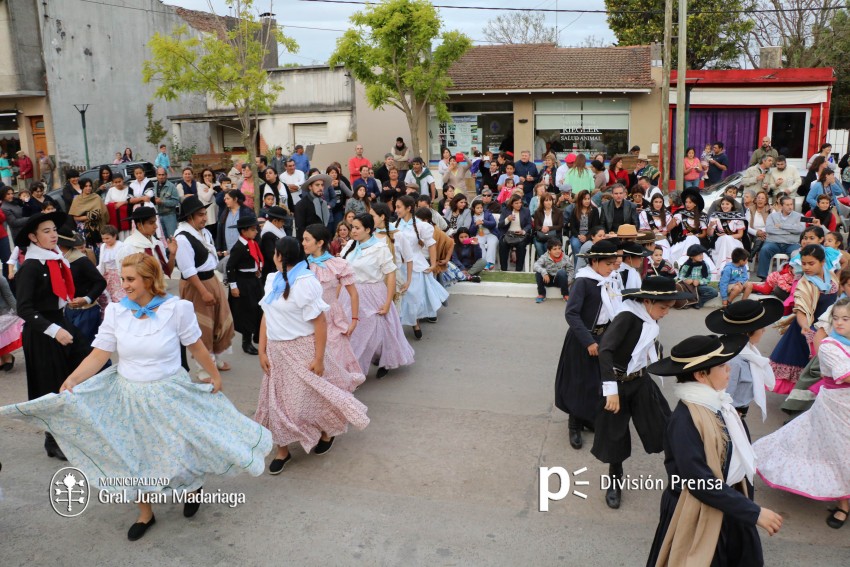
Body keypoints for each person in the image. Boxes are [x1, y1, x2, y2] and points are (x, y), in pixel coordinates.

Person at [1, 252, 272, 540]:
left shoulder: (177, 309)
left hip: (169, 394)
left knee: (178, 450)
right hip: (128, 396)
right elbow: (99, 354)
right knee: (132, 456)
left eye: (130, 279)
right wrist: (73, 379)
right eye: (123, 278)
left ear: (149, 279)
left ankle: (191, 487)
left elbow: (196, 346)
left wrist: (214, 375)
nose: (124, 284)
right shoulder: (116, 312)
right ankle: (145, 513)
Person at [645, 334, 782, 566]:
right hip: (695, 509)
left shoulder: (720, 404)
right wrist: (753, 512)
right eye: (721, 366)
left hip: (728, 502)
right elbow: (699, 482)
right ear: (701, 375)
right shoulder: (684, 420)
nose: (729, 369)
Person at [257, 234, 367, 469]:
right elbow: (267, 314)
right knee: (276, 402)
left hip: (303, 349)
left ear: (280, 256)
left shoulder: (306, 282)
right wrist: (262, 350)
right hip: (277, 352)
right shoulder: (271, 279)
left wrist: (319, 358)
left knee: (307, 400)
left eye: (275, 252)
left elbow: (320, 322)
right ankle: (282, 450)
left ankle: (327, 431)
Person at [755, 296, 850, 529]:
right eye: (836, 318)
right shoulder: (829, 345)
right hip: (836, 407)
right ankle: (843, 504)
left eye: (846, 319)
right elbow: (845, 375)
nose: (839, 323)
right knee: (838, 450)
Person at [595, 277, 690, 509]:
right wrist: (610, 390)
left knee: (665, 426)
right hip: (617, 385)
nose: (666, 313)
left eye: (669, 308)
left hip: (640, 381)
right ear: (647, 301)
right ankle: (614, 480)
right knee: (615, 436)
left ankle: (679, 478)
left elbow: (646, 344)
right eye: (663, 308)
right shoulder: (627, 317)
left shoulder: (649, 316)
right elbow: (605, 350)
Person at [12, 211, 94, 459]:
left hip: (60, 321)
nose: (53, 235)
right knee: (50, 385)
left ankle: (74, 429)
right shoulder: (30, 267)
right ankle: (53, 439)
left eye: (54, 230)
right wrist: (55, 331)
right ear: (33, 237)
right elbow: (24, 308)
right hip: (42, 331)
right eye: (46, 231)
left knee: (82, 369)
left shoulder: (56, 259)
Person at [555, 239, 621, 450]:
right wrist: (588, 341)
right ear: (594, 262)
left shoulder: (609, 280)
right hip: (582, 340)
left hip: (603, 338)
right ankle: (574, 424)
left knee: (596, 381)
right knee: (578, 382)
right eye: (608, 264)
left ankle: (587, 417)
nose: (611, 268)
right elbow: (571, 314)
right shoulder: (583, 281)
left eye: (613, 264)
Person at [341, 213, 414, 378]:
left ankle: (381, 361)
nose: (353, 231)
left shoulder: (380, 248)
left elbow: (390, 274)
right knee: (353, 333)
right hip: (350, 293)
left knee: (379, 332)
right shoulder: (350, 245)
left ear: (368, 230)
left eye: (357, 228)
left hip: (373, 294)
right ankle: (351, 371)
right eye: (352, 227)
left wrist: (388, 302)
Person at [174, 195, 235, 375]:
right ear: (190, 217)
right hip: (196, 285)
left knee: (219, 319)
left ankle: (216, 357)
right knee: (202, 326)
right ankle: (204, 368)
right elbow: (188, 271)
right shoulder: (182, 238)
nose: (205, 218)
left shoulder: (204, 232)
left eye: (204, 214)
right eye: (200, 215)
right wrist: (203, 292)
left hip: (211, 279)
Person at [770, 244, 838, 393]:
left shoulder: (832, 277)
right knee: (808, 367)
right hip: (807, 330)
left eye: (811, 263)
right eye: (804, 263)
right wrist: (806, 327)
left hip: (829, 328)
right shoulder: (804, 283)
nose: (806, 267)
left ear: (822, 262)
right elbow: (800, 310)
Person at [303, 223, 365, 382]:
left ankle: (340, 386)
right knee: (314, 355)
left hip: (332, 317)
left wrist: (354, 320)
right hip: (309, 318)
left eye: (307, 240)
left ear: (320, 242)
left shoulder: (337, 264)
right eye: (303, 239)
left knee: (336, 353)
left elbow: (353, 294)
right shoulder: (302, 265)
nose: (303, 243)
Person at [705, 298, 783, 422]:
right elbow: (724, 396)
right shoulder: (734, 361)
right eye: (761, 327)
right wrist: (730, 417)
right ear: (747, 333)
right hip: (730, 416)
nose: (764, 330)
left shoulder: (747, 352)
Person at [394, 195, 449, 336]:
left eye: (399, 207)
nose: (396, 210)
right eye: (396, 207)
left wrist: (433, 264)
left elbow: (431, 244)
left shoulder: (421, 225)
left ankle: (415, 323)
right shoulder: (394, 226)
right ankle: (397, 327)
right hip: (399, 266)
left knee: (414, 296)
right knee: (400, 297)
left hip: (416, 265)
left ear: (408, 208)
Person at [57, 226, 106, 344]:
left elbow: (100, 282)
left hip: (86, 311)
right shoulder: (57, 261)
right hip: (69, 310)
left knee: (85, 346)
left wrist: (86, 299)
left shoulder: (81, 261)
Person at [225, 215, 264, 356]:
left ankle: (257, 335)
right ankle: (246, 342)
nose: (256, 232)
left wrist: (257, 270)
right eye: (253, 229)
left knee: (259, 308)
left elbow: (255, 259)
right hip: (244, 282)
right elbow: (230, 267)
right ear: (244, 231)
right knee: (247, 311)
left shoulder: (252, 243)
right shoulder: (239, 247)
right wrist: (233, 286)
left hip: (254, 280)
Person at [757, 196, 804, 280]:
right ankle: (763, 277)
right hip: (773, 242)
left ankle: (790, 277)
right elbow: (769, 229)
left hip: (792, 243)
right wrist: (791, 231)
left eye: (791, 204)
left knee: (796, 254)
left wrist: (781, 226)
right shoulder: (772, 216)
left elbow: (800, 229)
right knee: (765, 249)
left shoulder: (799, 216)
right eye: (787, 205)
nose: (790, 207)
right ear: (781, 206)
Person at [123, 207, 176, 277]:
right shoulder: (129, 246)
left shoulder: (157, 244)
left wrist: (172, 254)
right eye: (151, 223)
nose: (156, 226)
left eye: (155, 222)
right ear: (139, 225)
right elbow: (126, 277)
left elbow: (167, 271)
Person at [669, 188, 711, 269]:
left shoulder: (701, 216)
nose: (687, 204)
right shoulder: (680, 214)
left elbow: (704, 234)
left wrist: (695, 235)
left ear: (695, 204)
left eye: (690, 202)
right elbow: (669, 228)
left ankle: (682, 263)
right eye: (686, 202)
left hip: (697, 239)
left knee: (691, 239)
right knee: (673, 251)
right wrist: (673, 220)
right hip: (683, 239)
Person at [67, 179, 108, 248]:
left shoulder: (96, 197)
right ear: (82, 187)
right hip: (84, 229)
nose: (88, 188)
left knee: (99, 248)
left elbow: (103, 212)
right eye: (86, 186)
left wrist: (96, 215)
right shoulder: (77, 199)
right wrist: (89, 216)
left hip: (98, 228)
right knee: (88, 249)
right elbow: (75, 217)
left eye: (90, 186)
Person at [294, 173, 332, 241]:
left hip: (321, 241)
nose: (320, 188)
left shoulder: (323, 203)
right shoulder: (301, 205)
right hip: (308, 242)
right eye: (317, 185)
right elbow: (300, 229)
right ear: (310, 187)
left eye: (322, 185)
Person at [497, 194, 531, 272]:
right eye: (516, 203)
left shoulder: (526, 211)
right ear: (511, 204)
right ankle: (503, 269)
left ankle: (519, 270)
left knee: (521, 246)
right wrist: (507, 219)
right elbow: (500, 225)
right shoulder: (505, 210)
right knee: (502, 244)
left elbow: (529, 224)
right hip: (508, 234)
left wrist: (523, 231)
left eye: (520, 202)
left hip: (521, 235)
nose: (519, 205)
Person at [678, 244, 719, 309]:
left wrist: (700, 281)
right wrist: (686, 280)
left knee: (714, 292)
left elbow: (708, 278)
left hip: (700, 287)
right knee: (678, 290)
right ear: (692, 256)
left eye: (702, 254)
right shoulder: (686, 265)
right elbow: (680, 276)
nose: (701, 256)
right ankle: (688, 301)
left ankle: (698, 302)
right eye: (699, 255)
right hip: (689, 287)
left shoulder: (705, 265)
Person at [533, 237, 571, 303]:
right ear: (549, 250)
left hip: (559, 281)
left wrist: (569, 280)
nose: (558, 251)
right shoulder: (544, 257)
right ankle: (541, 294)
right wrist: (544, 272)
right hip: (547, 280)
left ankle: (566, 294)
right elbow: (535, 265)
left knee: (562, 272)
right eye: (554, 249)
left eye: (559, 248)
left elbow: (570, 269)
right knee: (538, 273)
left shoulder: (565, 257)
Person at [96, 225, 128, 303]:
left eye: (107, 238)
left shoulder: (121, 246)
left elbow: (124, 262)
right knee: (107, 295)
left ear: (115, 236)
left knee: (118, 295)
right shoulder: (103, 246)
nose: (105, 241)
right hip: (107, 274)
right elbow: (101, 262)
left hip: (118, 274)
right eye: (103, 238)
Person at [638, 193, 672, 260]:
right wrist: (652, 232)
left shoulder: (667, 214)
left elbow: (666, 232)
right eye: (656, 202)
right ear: (652, 202)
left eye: (660, 202)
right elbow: (641, 230)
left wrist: (659, 234)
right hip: (648, 239)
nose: (658, 204)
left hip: (661, 238)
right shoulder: (645, 213)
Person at [0, 273, 21, 371]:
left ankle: (6, 357)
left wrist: (20, 312)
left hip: (3, 313)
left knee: (2, 336)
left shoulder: (1, 279)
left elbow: (9, 296)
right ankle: (3, 358)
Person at [532, 193, 563, 258]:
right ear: (542, 202)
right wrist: (541, 228)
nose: (549, 202)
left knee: (547, 244)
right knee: (539, 246)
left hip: (554, 236)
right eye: (546, 200)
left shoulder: (558, 212)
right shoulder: (537, 212)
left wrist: (549, 228)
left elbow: (560, 226)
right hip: (541, 235)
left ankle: (548, 262)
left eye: (550, 200)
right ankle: (544, 261)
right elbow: (536, 226)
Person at [152, 167, 180, 238]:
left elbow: (175, 202)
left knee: (172, 238)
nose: (161, 177)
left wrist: (162, 202)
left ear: (166, 175)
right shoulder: (153, 186)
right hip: (157, 216)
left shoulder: (172, 186)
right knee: (161, 239)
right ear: (156, 175)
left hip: (169, 215)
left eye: (163, 175)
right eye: (159, 175)